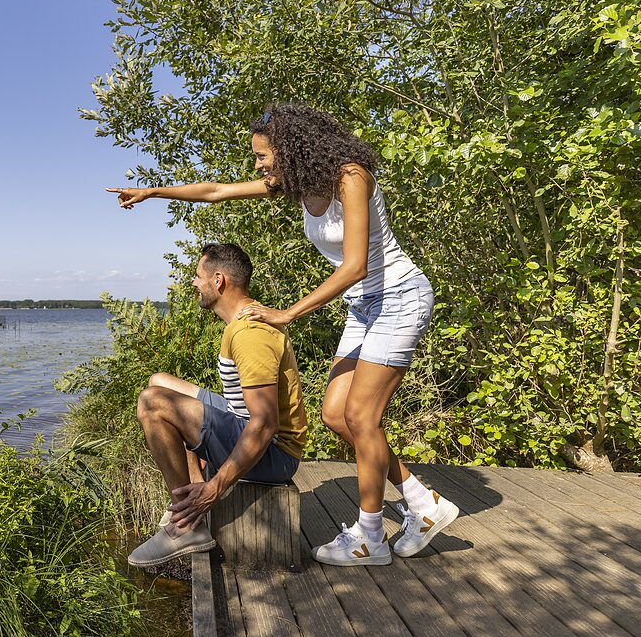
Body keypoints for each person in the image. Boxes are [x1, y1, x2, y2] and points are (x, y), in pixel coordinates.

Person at [110, 102, 458, 566]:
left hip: (398, 296)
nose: (257, 165)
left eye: (262, 155)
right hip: (364, 304)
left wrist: (288, 313)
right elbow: (216, 191)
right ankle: (422, 502)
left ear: (291, 149)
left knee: (361, 416)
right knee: (337, 416)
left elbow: (355, 265)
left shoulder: (350, 177)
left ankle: (370, 537)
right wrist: (155, 191)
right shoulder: (295, 186)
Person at [127, 242, 307, 568]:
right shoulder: (241, 321)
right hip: (243, 421)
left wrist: (215, 488)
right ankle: (190, 488)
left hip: (275, 455)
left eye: (198, 276)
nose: (194, 283)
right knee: (160, 383)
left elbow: (265, 424)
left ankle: (185, 524)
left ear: (219, 280)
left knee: (152, 403)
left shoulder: (251, 333)